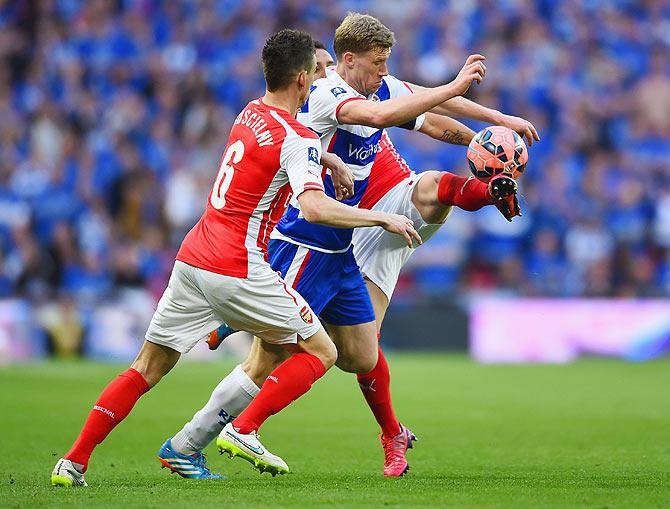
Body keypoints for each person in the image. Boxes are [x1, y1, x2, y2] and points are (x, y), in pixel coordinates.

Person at [50, 28, 422, 487]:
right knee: (321, 350)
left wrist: (328, 160)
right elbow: (312, 206)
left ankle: (73, 461)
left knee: (146, 367)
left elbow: (276, 153)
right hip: (238, 267)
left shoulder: (250, 112)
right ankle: (238, 428)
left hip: (192, 258)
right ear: (303, 79)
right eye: (318, 72)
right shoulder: (299, 136)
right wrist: (379, 220)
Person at [159, 12, 494, 479]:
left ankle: (229, 345)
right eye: (378, 63)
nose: (384, 71)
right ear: (346, 60)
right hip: (305, 241)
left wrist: (501, 120)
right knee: (273, 358)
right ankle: (203, 437)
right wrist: (455, 85)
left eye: (386, 63)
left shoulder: (375, 86)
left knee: (361, 355)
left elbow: (424, 111)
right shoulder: (327, 93)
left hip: (341, 250)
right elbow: (381, 117)